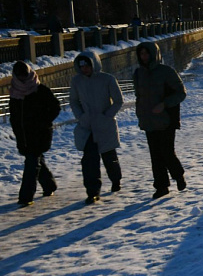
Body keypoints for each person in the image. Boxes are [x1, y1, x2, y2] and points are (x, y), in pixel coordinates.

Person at [134, 41, 187, 199]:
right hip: (149, 120)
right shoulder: (138, 73)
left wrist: (164, 104)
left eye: (146, 53)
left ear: (153, 54)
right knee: (155, 155)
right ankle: (161, 186)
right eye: (141, 54)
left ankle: (178, 176)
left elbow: (181, 93)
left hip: (166, 120)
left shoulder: (166, 72)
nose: (144, 57)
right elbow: (139, 96)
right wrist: (140, 113)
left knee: (167, 152)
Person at [69, 51, 124, 204]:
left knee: (109, 157)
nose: (84, 68)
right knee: (89, 161)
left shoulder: (107, 79)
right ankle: (92, 191)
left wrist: (107, 115)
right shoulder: (77, 81)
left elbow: (118, 100)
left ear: (94, 64)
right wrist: (81, 116)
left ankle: (116, 180)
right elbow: (73, 101)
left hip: (105, 125)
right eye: (81, 66)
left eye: (87, 65)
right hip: (87, 127)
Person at [9, 61, 61, 206]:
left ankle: (26, 197)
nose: (22, 78)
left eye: (24, 75)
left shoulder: (40, 90)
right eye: (19, 75)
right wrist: (17, 130)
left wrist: (44, 122)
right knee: (36, 161)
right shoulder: (15, 92)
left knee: (31, 164)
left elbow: (55, 107)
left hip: (40, 134)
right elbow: (14, 116)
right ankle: (49, 185)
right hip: (23, 135)